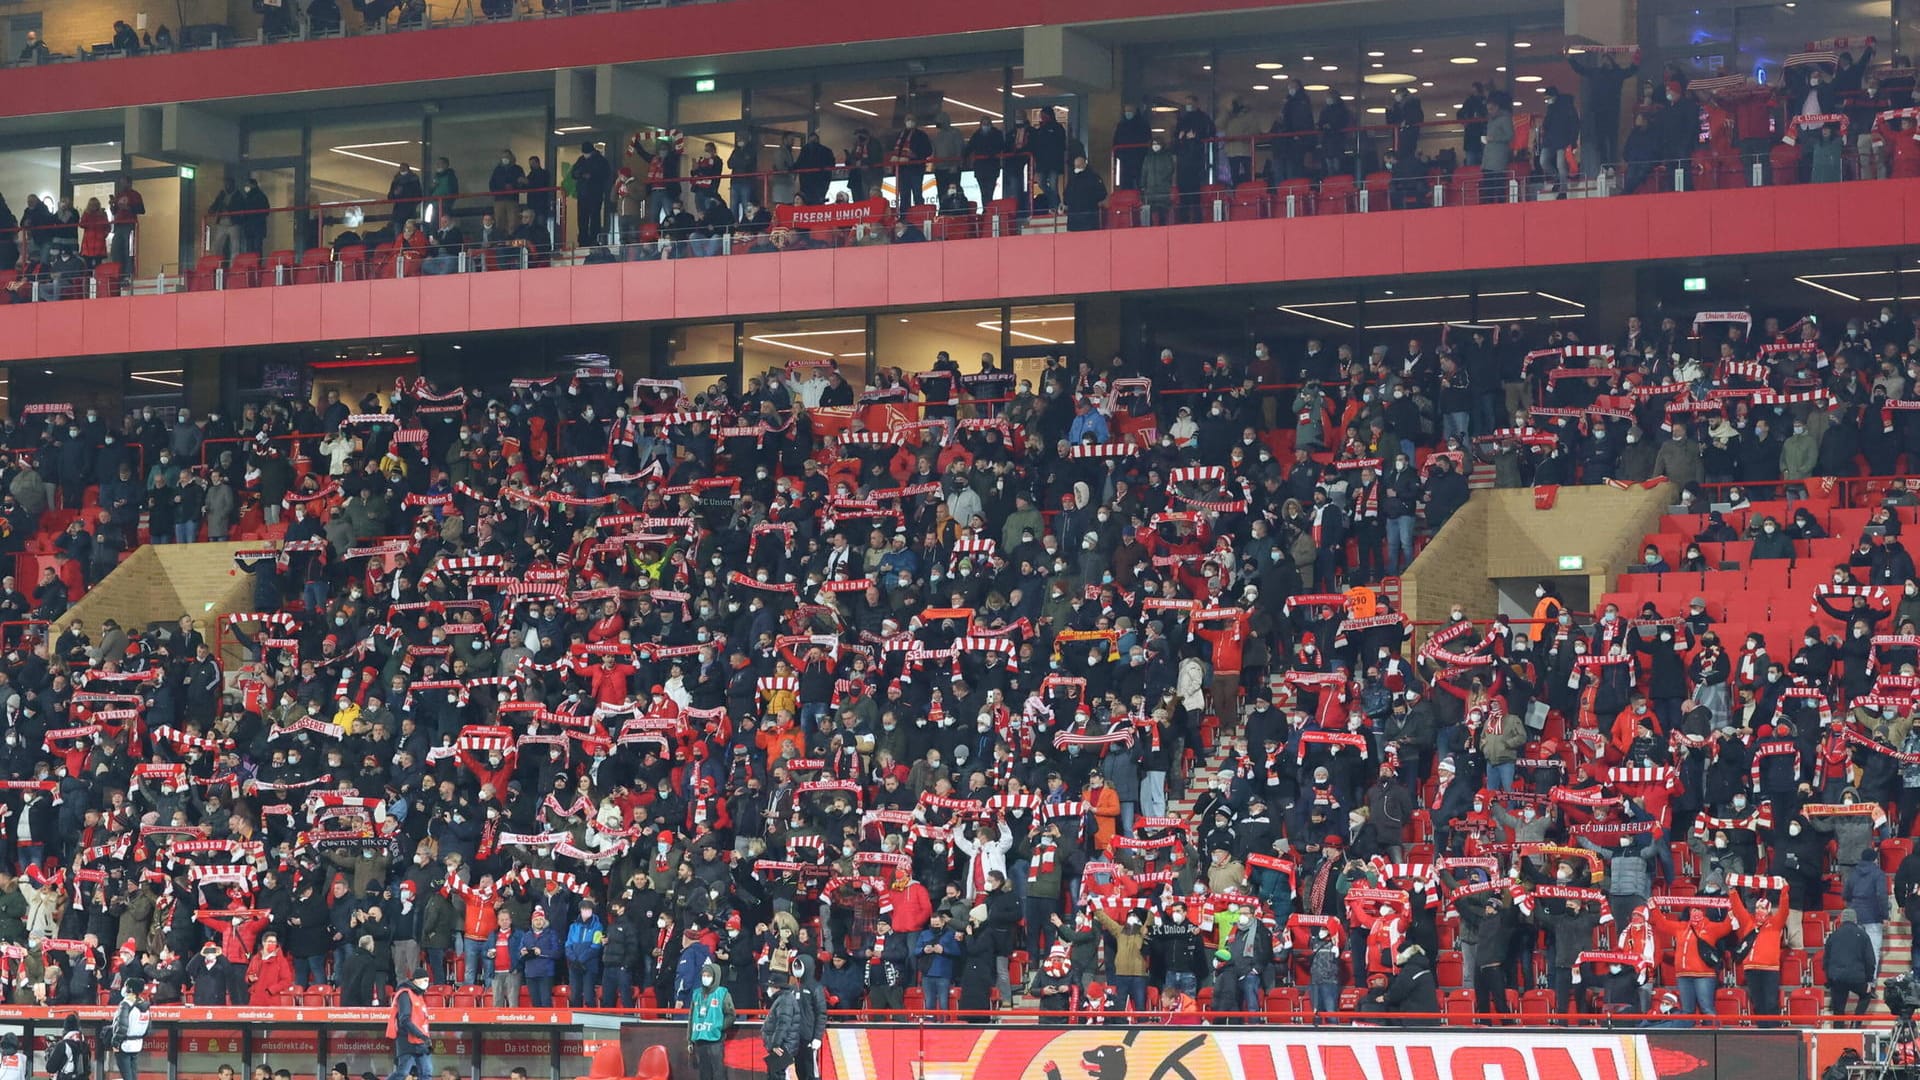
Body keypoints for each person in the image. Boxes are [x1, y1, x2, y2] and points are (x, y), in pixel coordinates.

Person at [1824, 907, 1876, 1024]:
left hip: (1837, 977)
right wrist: (1869, 980)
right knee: (1866, 995)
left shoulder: (1833, 936)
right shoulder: (1863, 935)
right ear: (1855, 920)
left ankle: (1838, 1033)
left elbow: (1826, 960)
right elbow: (1870, 960)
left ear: (1841, 920)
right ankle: (1856, 1023)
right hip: (1857, 977)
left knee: (1838, 1010)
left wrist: (1829, 979)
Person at [687, 961, 734, 1080]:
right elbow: (691, 1018)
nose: (705, 978)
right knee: (704, 1073)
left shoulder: (722, 993)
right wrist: (689, 1040)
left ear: (715, 977)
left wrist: (719, 1026)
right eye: (704, 975)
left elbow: (731, 1015)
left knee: (718, 1072)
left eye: (708, 976)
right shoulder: (696, 993)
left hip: (715, 1040)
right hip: (700, 1039)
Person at [385, 968, 433, 1080]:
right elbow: (404, 1019)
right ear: (416, 980)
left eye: (427, 980)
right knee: (403, 1072)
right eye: (424, 980)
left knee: (427, 1072)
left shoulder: (419, 995)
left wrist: (425, 1038)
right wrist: (421, 1035)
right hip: (407, 1039)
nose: (426, 983)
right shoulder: (405, 994)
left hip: (422, 1041)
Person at [761, 967, 807, 1080]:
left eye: (770, 986)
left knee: (778, 1075)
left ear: (777, 987)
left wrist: (775, 1044)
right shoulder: (783, 998)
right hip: (783, 1045)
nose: (768, 989)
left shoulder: (785, 1000)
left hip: (782, 1047)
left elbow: (783, 1024)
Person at [571, 141, 612, 246]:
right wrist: (580, 174)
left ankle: (594, 239)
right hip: (583, 193)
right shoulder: (581, 160)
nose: (585, 155)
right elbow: (573, 173)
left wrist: (592, 176)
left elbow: (605, 175)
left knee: (594, 218)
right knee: (582, 219)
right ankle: (583, 240)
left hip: (595, 193)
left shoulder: (601, 161)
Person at [108, 979, 149, 1080]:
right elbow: (148, 1028)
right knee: (133, 1075)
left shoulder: (125, 1004)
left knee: (127, 1076)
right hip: (137, 1044)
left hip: (124, 1044)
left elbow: (122, 1025)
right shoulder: (145, 1005)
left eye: (125, 986)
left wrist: (115, 1042)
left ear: (130, 988)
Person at [1062, 155, 1106, 232]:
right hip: (1083, 220)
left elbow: (1102, 193)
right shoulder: (1074, 179)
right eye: (1076, 166)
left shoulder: (1091, 178)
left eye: (1078, 166)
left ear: (1084, 164)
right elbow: (1066, 197)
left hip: (1081, 220)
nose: (1077, 168)